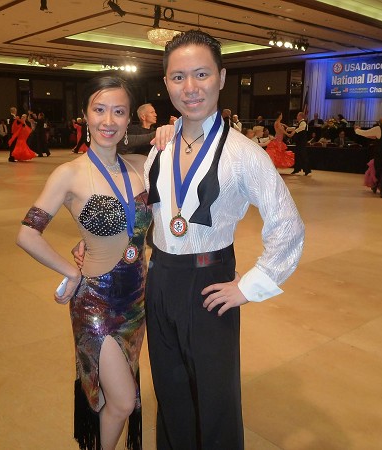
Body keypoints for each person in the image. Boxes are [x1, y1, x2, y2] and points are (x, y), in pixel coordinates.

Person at [143, 30, 304, 450]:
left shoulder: (244, 153)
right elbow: (152, 214)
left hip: (209, 282)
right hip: (160, 279)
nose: (190, 88)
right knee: (170, 392)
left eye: (201, 74)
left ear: (222, 77)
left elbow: (288, 225)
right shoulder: (159, 148)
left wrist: (250, 286)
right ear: (166, 83)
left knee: (216, 399)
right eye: (178, 77)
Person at [17, 76, 153, 450]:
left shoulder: (141, 166)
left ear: (129, 119)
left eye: (119, 111)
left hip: (137, 303)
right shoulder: (69, 174)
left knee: (114, 394)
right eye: (99, 110)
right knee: (123, 401)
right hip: (95, 303)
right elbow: (27, 234)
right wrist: (70, 271)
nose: (108, 120)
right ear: (85, 115)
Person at [289, 111, 311, 175]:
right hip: (299, 142)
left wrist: (294, 131)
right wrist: (288, 128)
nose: (296, 117)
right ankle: (297, 169)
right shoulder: (300, 123)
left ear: (300, 116)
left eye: (297, 116)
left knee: (303, 155)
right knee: (297, 155)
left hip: (302, 143)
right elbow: (296, 128)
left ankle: (307, 170)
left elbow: (301, 128)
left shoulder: (303, 123)